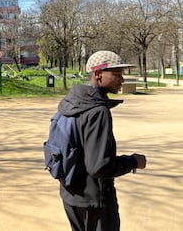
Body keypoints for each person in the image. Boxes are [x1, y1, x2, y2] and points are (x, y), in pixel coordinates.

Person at [56, 50, 147, 231]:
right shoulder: (98, 111)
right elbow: (99, 166)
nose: (122, 80)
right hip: (95, 201)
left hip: (71, 196)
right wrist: (133, 161)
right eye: (117, 74)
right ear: (98, 74)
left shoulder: (71, 101)